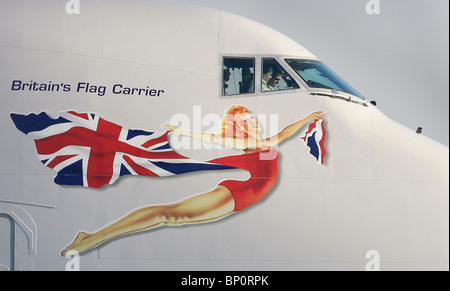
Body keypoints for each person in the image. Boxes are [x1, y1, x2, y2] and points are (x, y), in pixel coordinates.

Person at [60, 105, 324, 256]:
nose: (254, 122)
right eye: (247, 120)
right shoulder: (242, 142)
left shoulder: (266, 143)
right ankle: (92, 238)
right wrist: (183, 131)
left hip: (243, 199)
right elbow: (213, 139)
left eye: (253, 118)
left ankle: (92, 238)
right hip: (236, 193)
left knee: (175, 218)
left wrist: (308, 118)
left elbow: (287, 132)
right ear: (239, 127)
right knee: (170, 215)